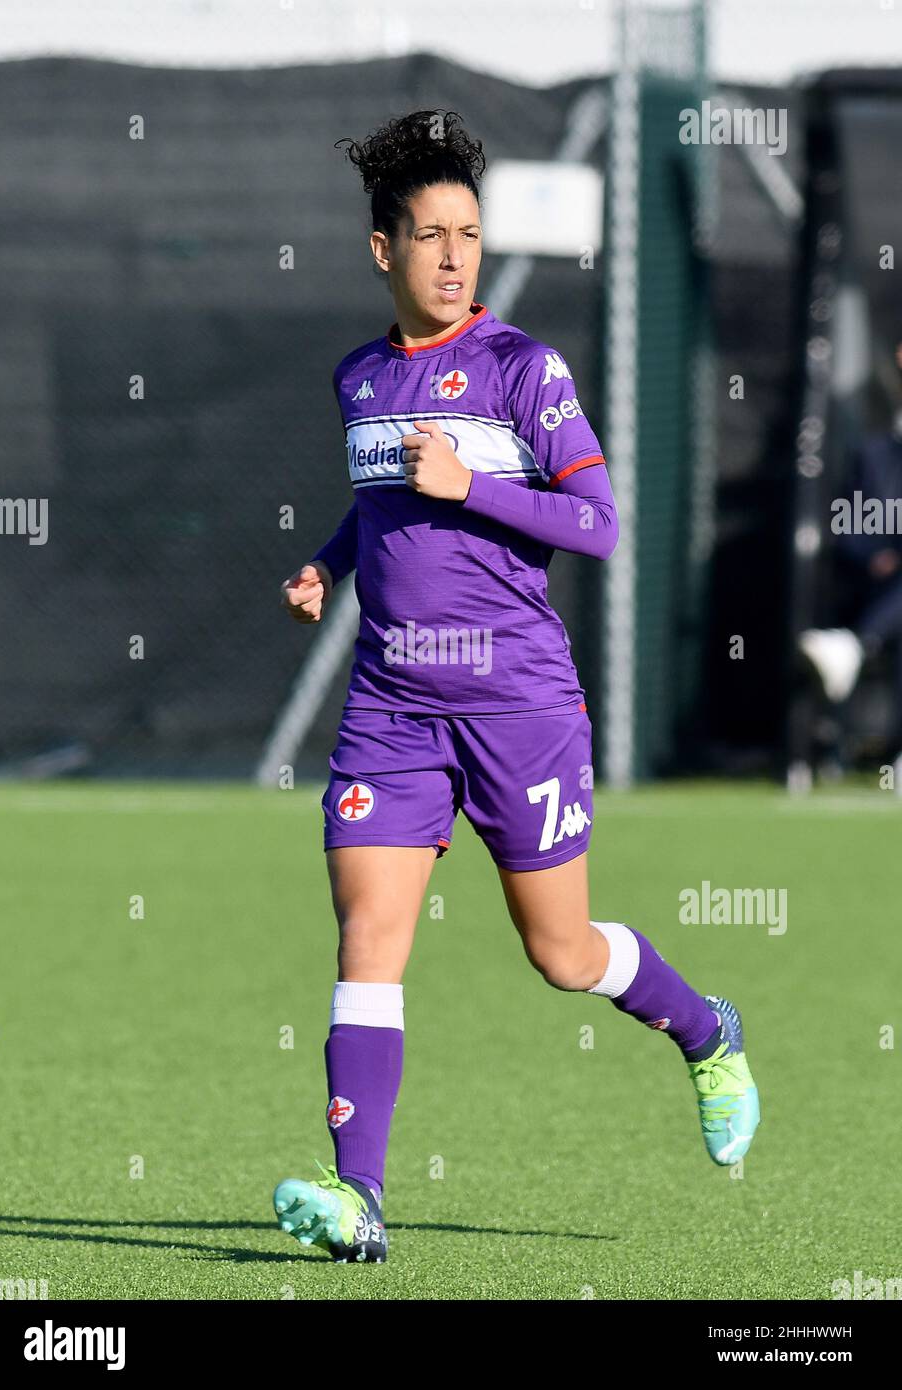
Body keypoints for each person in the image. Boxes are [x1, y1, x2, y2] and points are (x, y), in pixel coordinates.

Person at [274, 110, 759, 1263]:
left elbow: (596, 523)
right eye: (431, 235)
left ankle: (707, 1029)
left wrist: (470, 487)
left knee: (561, 956)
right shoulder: (357, 377)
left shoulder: (521, 368)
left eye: (470, 235)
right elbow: (379, 498)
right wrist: (328, 564)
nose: (454, 256)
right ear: (380, 248)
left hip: (520, 706)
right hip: (393, 704)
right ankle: (362, 1202)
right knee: (368, 939)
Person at [800, 346, 902, 737]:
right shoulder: (872, 456)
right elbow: (848, 528)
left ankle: (854, 646)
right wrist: (874, 557)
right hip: (876, 587)